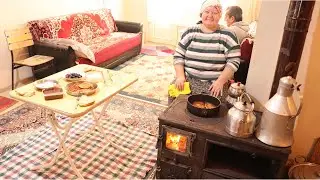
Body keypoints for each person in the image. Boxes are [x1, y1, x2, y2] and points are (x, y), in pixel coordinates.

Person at [170, 0, 240, 103]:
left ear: (220, 15)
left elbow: (234, 62)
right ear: (201, 14)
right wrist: (180, 76)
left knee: (213, 109)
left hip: (215, 83)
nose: (210, 15)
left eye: (215, 13)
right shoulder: (189, 32)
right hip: (188, 79)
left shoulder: (228, 35)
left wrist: (220, 82)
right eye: (207, 12)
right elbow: (178, 56)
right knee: (175, 103)